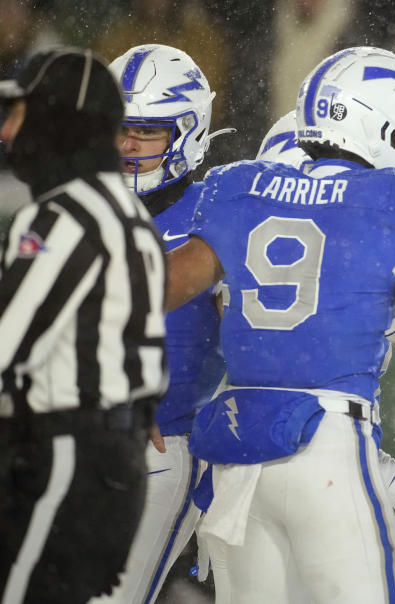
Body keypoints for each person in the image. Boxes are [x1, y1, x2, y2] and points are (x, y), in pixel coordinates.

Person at [164, 47, 395, 603]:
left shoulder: (237, 190)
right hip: (328, 450)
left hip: (236, 455)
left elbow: (141, 295)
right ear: (379, 128)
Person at [0, 47, 166, 604]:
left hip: (67, 455)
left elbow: (5, 344)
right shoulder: (124, 207)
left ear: (55, 118)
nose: (9, 129)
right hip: (108, 460)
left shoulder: (64, 215)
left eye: (21, 112)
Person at [85, 44, 229, 604]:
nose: (125, 146)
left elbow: (252, 342)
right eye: (117, 129)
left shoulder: (214, 212)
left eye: (143, 132)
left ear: (188, 132)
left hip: (160, 445)